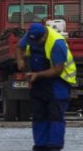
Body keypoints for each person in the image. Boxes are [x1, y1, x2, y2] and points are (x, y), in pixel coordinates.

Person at [15, 23, 77, 151]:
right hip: (39, 82)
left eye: (37, 41)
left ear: (43, 36)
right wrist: (20, 61)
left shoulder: (57, 44)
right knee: (39, 114)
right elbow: (19, 47)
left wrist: (36, 75)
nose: (34, 43)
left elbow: (57, 70)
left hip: (58, 83)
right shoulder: (32, 36)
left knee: (55, 115)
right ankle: (40, 146)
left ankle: (54, 146)